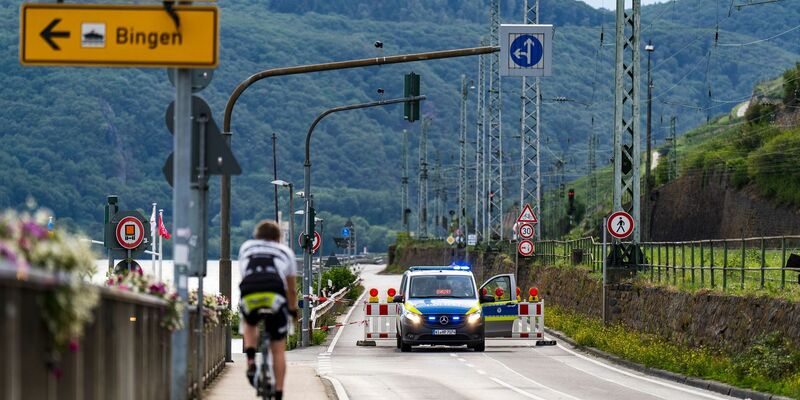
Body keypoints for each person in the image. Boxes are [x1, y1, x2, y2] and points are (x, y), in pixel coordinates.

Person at [238, 220, 298, 400]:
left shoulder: (246, 247)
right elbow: (292, 290)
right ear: (278, 238)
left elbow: (245, 274)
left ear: (256, 236)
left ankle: (250, 359)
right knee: (278, 348)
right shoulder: (286, 252)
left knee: (249, 322)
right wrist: (293, 311)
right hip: (275, 295)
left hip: (250, 292)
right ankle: (279, 393)